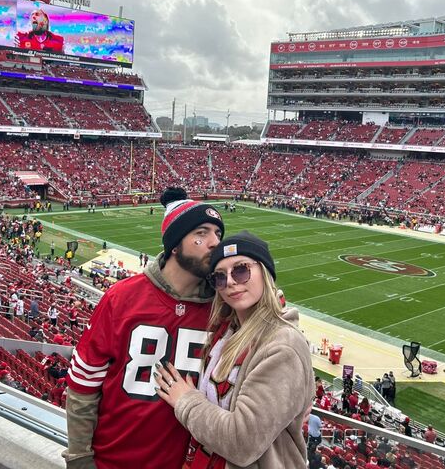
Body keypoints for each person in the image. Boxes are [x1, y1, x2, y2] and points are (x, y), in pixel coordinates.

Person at [64, 187, 225, 468]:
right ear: (175, 244)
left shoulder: (222, 310)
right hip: (112, 460)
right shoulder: (122, 297)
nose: (214, 242)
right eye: (201, 233)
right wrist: (79, 457)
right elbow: (83, 385)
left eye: (218, 234)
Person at [155, 231, 314, 468]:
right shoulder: (229, 330)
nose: (229, 281)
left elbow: (243, 443)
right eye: (219, 277)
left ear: (265, 272)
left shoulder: (283, 346)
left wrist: (186, 401)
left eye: (241, 270)